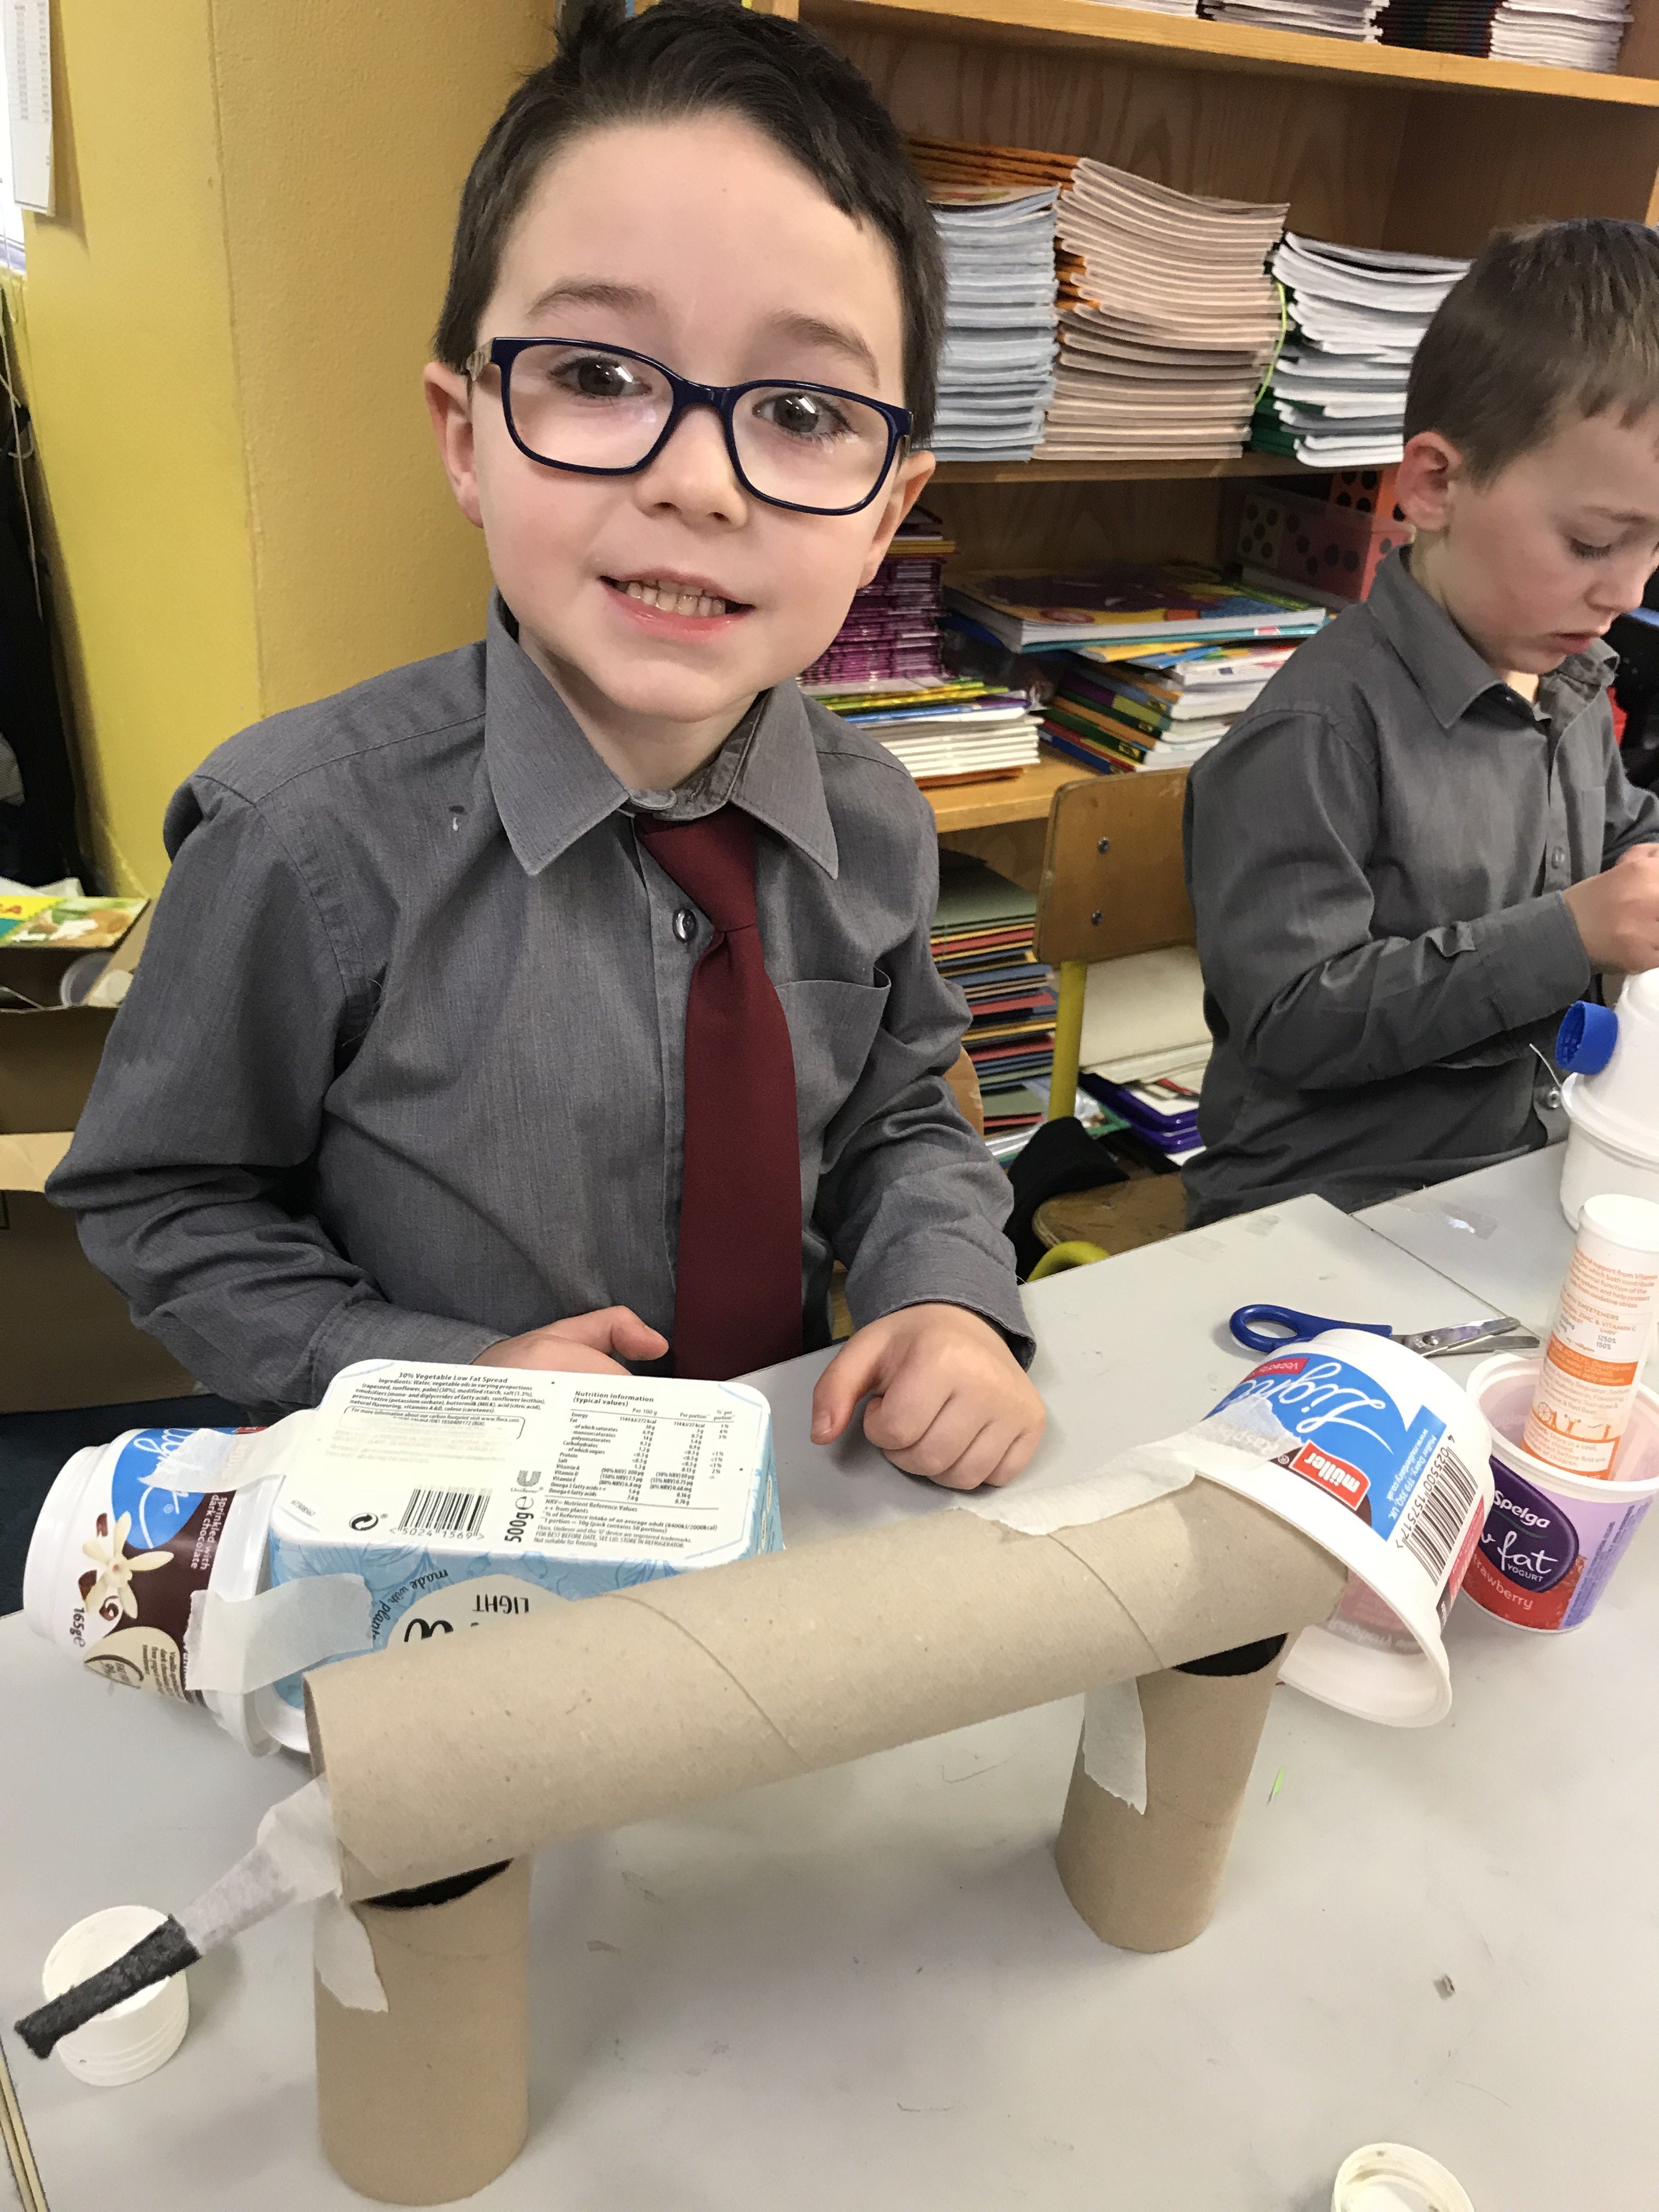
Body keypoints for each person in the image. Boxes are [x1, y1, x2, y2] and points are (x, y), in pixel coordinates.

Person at [50, 0, 1044, 1492]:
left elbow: (899, 1111)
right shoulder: (299, 839)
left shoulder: (874, 819)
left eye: (800, 408)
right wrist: (430, 1380)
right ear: (467, 435)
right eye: (597, 376)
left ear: (889, 512)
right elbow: (166, 1199)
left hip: (781, 1507)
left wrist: (947, 1294)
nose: (700, 483)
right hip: (430, 1531)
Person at [1183, 218, 1659, 1226]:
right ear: (1435, 486)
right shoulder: (1316, 732)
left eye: (1656, 551)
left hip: (1523, 1169)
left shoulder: (1567, 677)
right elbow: (1294, 1025)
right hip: (1327, 1208)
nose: (1626, 592)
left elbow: (1619, 837)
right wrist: (1571, 933)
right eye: (1592, 542)